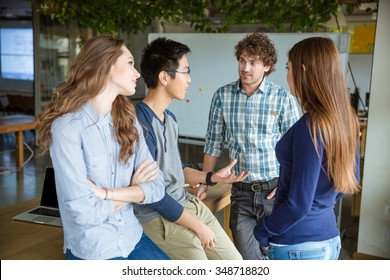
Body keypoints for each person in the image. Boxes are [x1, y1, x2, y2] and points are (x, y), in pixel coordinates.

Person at [35, 34, 181, 260]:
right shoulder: (67, 128)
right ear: (106, 65)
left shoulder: (128, 118)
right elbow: (83, 214)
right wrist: (133, 191)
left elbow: (156, 187)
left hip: (132, 237)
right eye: (130, 63)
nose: (137, 73)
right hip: (95, 250)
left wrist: (105, 194)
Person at [135, 37, 248, 260]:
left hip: (186, 203)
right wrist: (198, 227)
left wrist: (211, 177)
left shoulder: (170, 119)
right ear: (164, 77)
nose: (190, 79)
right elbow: (154, 195)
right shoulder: (140, 125)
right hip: (158, 217)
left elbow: (177, 168)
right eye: (186, 72)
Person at [253, 37, 361, 260]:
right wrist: (320, 204)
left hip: (298, 244)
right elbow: (350, 180)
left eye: (288, 68)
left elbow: (298, 205)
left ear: (302, 70)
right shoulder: (347, 120)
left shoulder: (310, 127)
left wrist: (262, 231)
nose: (287, 76)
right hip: (329, 239)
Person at [201, 32, 301, 260]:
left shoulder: (282, 98)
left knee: (277, 256)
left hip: (275, 193)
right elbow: (213, 143)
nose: (246, 67)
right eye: (242, 60)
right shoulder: (222, 96)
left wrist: (288, 183)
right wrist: (205, 181)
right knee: (247, 260)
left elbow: (298, 148)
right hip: (241, 193)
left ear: (266, 66)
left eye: (253, 62)